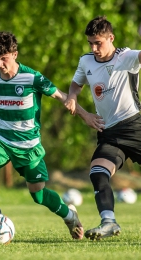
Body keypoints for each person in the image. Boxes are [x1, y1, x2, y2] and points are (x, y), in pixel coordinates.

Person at [0, 31, 98, 241]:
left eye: (4, 59)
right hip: (1, 139)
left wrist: (85, 115)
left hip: (28, 146)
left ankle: (69, 215)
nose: (0, 64)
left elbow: (62, 96)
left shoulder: (32, 77)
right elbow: (2, 91)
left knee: (38, 195)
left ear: (15, 54)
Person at [65, 16, 141, 240]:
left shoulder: (125, 57)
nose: (94, 48)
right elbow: (76, 84)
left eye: (98, 42)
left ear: (111, 38)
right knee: (98, 173)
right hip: (108, 133)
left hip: (134, 127)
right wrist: (72, 97)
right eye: (90, 43)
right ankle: (108, 222)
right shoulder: (86, 61)